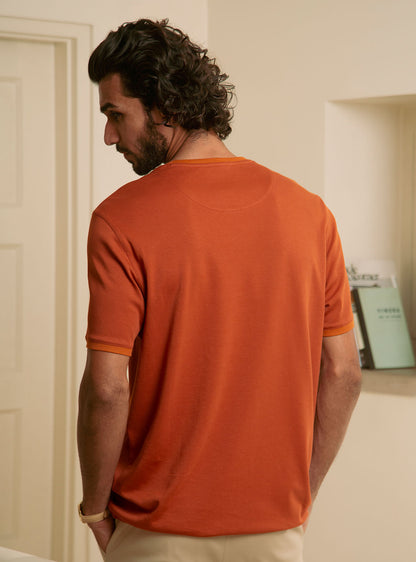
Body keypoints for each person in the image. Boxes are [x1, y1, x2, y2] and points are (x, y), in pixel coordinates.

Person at [77, 18, 362, 562]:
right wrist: (299, 496)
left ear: (163, 106)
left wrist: (94, 509)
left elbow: (107, 390)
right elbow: (344, 374)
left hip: (158, 529)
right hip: (276, 527)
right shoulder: (311, 214)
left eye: (115, 115)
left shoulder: (120, 219)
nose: (109, 136)